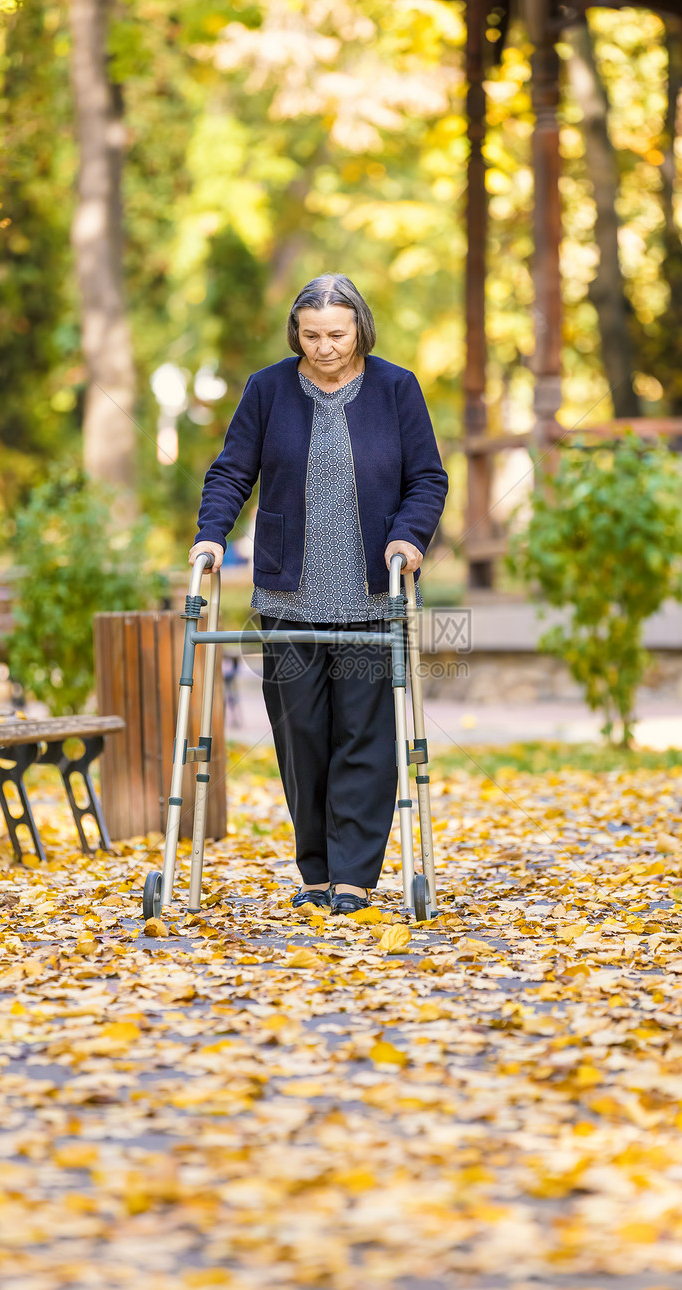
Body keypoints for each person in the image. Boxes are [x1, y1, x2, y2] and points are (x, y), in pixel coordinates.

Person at [189, 274, 447, 914]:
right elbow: (231, 472)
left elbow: (428, 479)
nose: (325, 347)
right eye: (311, 335)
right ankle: (316, 873)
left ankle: (354, 879)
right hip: (287, 600)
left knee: (364, 736)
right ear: (295, 333)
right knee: (301, 738)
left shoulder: (396, 388)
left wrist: (410, 538)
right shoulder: (268, 389)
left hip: (368, 598)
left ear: (360, 326)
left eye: (337, 333)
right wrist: (211, 536)